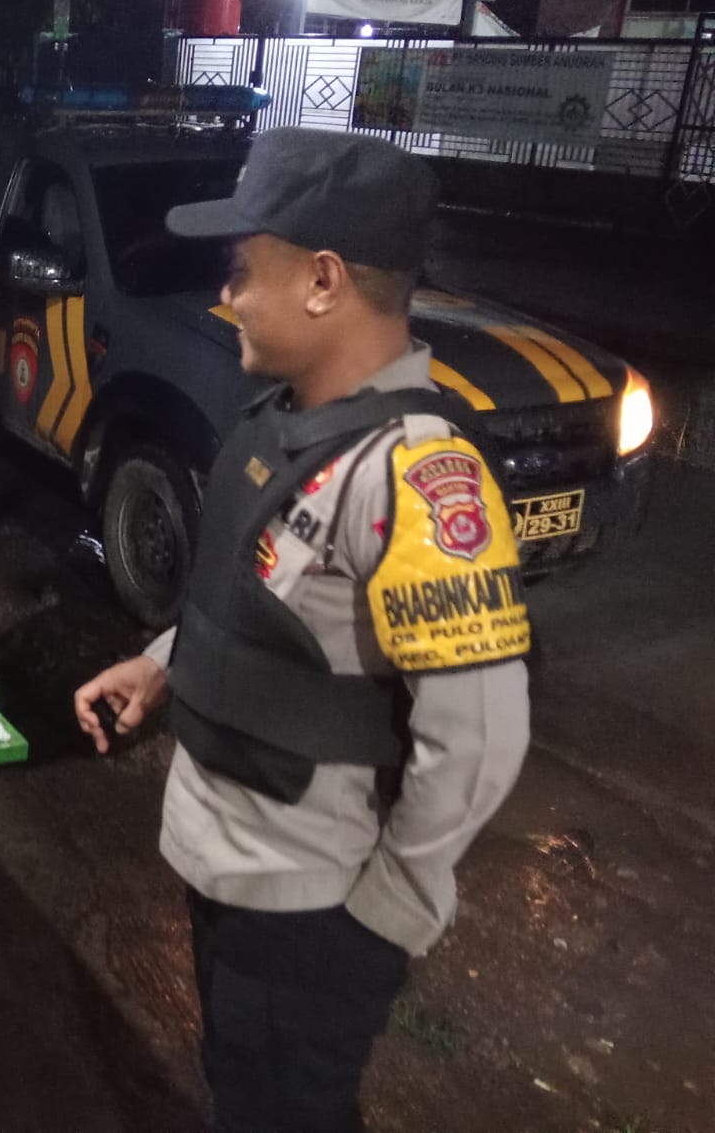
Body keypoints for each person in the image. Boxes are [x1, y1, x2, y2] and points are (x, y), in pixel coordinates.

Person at [73, 128, 531, 1133]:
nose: (225, 293)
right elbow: (257, 603)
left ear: (323, 280)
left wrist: (385, 916)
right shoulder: (285, 423)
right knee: (241, 1089)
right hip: (232, 876)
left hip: (309, 915)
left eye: (243, 268)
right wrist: (161, 667)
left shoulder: (413, 475)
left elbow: (479, 738)